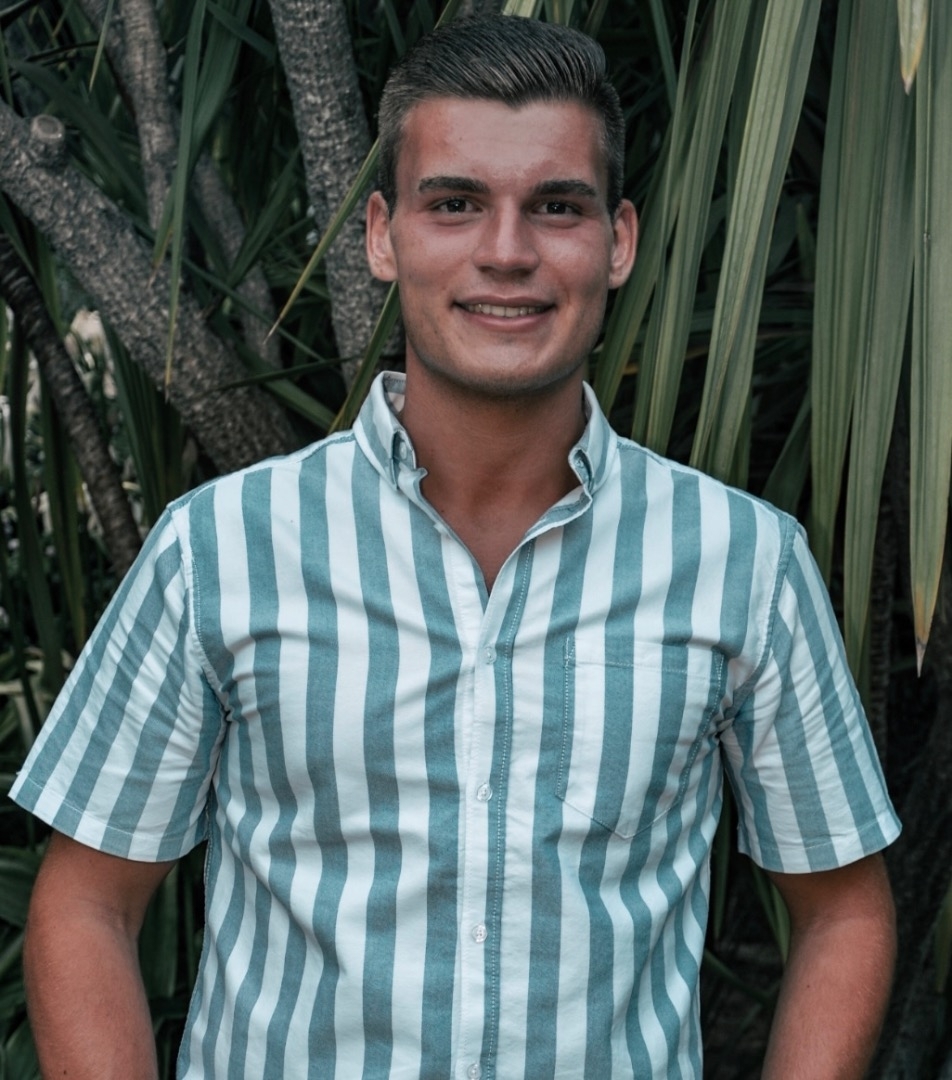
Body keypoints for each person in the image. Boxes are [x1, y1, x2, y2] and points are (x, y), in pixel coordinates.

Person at [12, 15, 900, 1080]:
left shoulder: (743, 564)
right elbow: (87, 905)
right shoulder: (219, 550)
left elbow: (844, 911)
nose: (507, 252)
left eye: (556, 206)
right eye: (455, 204)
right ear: (382, 236)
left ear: (617, 240)